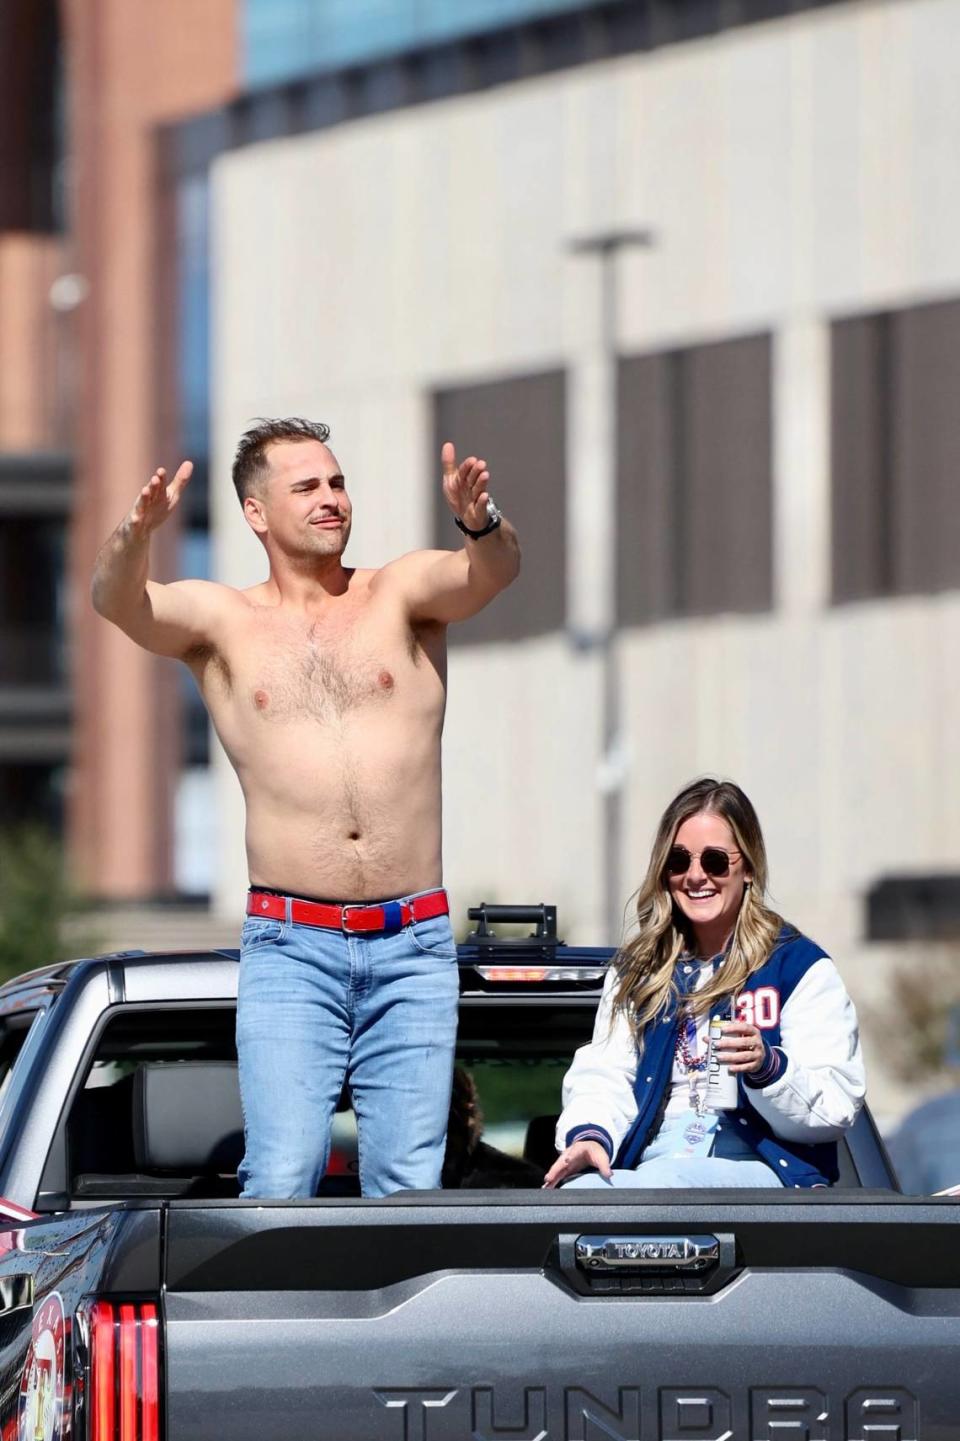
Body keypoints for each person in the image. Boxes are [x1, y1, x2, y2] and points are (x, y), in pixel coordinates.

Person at [92, 417, 520, 1198]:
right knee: (282, 1175)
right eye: (308, 487)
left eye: (337, 482)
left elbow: (491, 573)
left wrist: (478, 519)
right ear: (256, 513)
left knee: (407, 1186)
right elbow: (118, 602)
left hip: (413, 945)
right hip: (292, 947)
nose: (332, 499)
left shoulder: (398, 593)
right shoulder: (223, 622)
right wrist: (135, 534)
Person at [543, 778, 865, 1190]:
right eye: (679, 861)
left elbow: (835, 1107)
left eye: (714, 861)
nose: (695, 877)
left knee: (668, 1180)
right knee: (579, 1193)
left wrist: (768, 1067)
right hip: (657, 1162)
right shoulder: (640, 969)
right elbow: (606, 1072)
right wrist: (589, 1134)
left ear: (747, 867)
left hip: (762, 1166)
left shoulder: (797, 966)